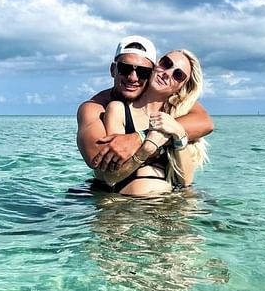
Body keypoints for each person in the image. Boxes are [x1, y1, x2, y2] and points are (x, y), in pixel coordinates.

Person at [76, 36, 213, 189]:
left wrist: (153, 137)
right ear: (113, 70)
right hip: (129, 205)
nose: (133, 77)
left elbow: (205, 123)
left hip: (170, 204)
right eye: (125, 69)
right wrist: (147, 144)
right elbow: (102, 164)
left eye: (142, 71)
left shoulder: (176, 113)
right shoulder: (101, 107)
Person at [102, 49, 207, 195]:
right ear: (155, 65)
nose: (167, 73)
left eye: (178, 75)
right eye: (166, 64)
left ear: (181, 86)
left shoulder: (177, 118)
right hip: (129, 208)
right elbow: (111, 177)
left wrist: (179, 133)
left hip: (172, 207)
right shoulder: (118, 110)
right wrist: (147, 148)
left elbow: (186, 181)